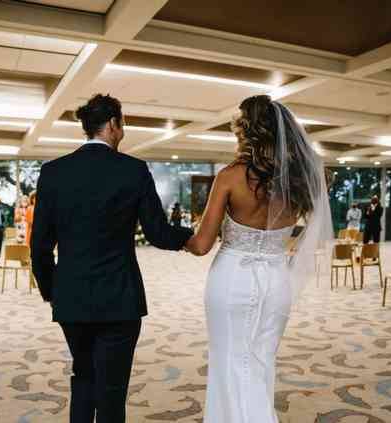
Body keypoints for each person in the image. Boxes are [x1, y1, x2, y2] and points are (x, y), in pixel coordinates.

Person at [31, 94, 193, 423]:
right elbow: (158, 234)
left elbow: (40, 246)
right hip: (119, 299)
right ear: (113, 125)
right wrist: (194, 236)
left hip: (72, 299)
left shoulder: (53, 172)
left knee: (83, 378)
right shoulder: (132, 170)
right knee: (112, 390)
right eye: (122, 126)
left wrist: (52, 291)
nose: (123, 134)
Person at [184, 95, 332, 423]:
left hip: (232, 278)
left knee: (229, 361)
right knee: (261, 362)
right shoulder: (300, 182)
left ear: (247, 131)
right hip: (278, 281)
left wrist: (177, 237)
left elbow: (201, 244)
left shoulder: (229, 177)